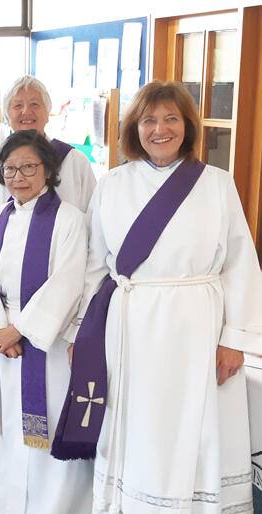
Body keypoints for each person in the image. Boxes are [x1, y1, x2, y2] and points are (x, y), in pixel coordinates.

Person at [52, 80, 262, 513]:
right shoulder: (112, 184)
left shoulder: (218, 185)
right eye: (149, 120)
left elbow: (241, 263)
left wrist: (235, 339)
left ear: (187, 126)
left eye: (171, 119)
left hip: (197, 328)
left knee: (192, 426)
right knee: (140, 426)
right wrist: (81, 334)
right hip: (131, 326)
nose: (160, 129)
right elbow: (93, 266)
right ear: (134, 128)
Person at [0, 130, 92, 512]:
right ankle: (3, 501)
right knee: (5, 426)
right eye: (10, 169)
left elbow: (68, 281)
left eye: (29, 167)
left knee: (46, 422)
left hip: (44, 341)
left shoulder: (70, 220)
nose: (18, 176)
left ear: (49, 170)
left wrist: (20, 328)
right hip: (4, 339)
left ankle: (51, 504)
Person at [0, 75, 97, 269]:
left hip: (65, 272)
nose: (26, 112)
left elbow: (94, 222)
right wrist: (6, 261)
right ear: (7, 116)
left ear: (48, 113)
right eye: (17, 106)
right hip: (6, 277)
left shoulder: (74, 162)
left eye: (35, 104)